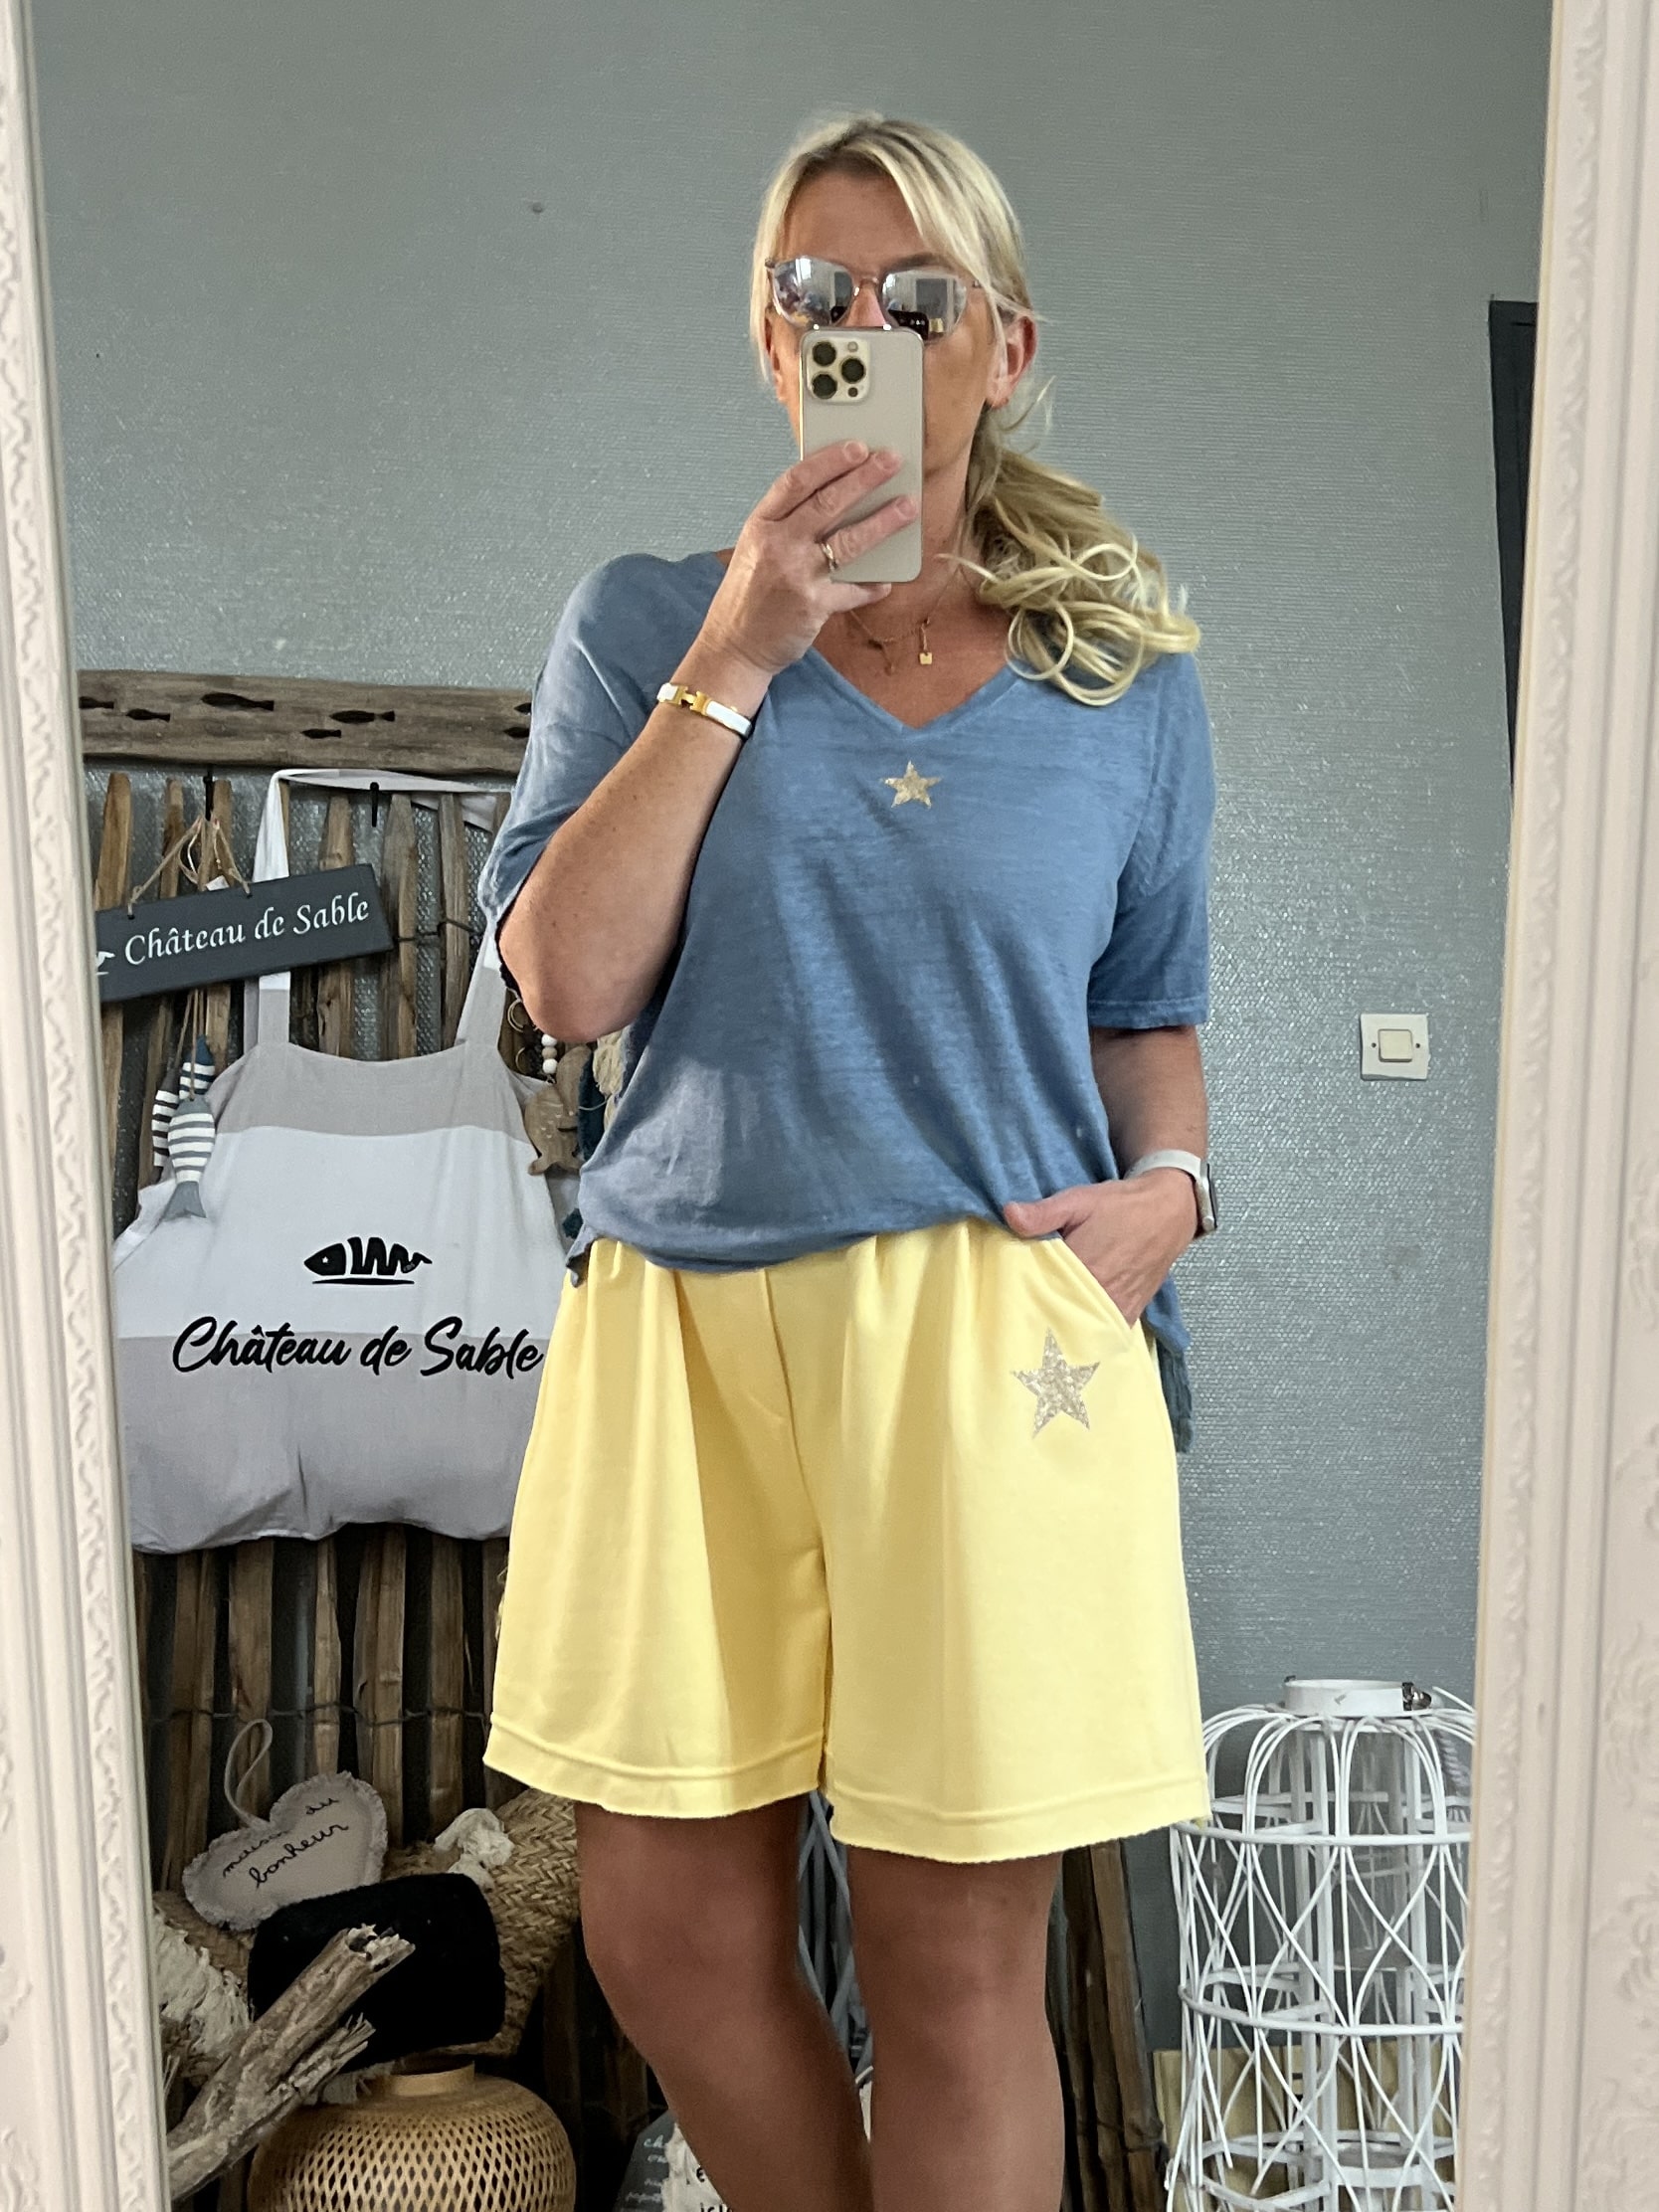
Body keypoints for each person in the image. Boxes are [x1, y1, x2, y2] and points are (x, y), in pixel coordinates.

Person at [481, 112, 1216, 2212]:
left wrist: (1176, 1190)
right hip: (682, 1334)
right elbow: (564, 979)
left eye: (917, 297)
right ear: (764, 331)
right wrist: (738, 651)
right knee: (664, 1930)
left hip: (992, 1332)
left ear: (1005, 345)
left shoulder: (1122, 678)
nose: (862, 328)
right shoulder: (646, 621)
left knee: (953, 1970)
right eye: (815, 293)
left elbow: (1149, 1012)